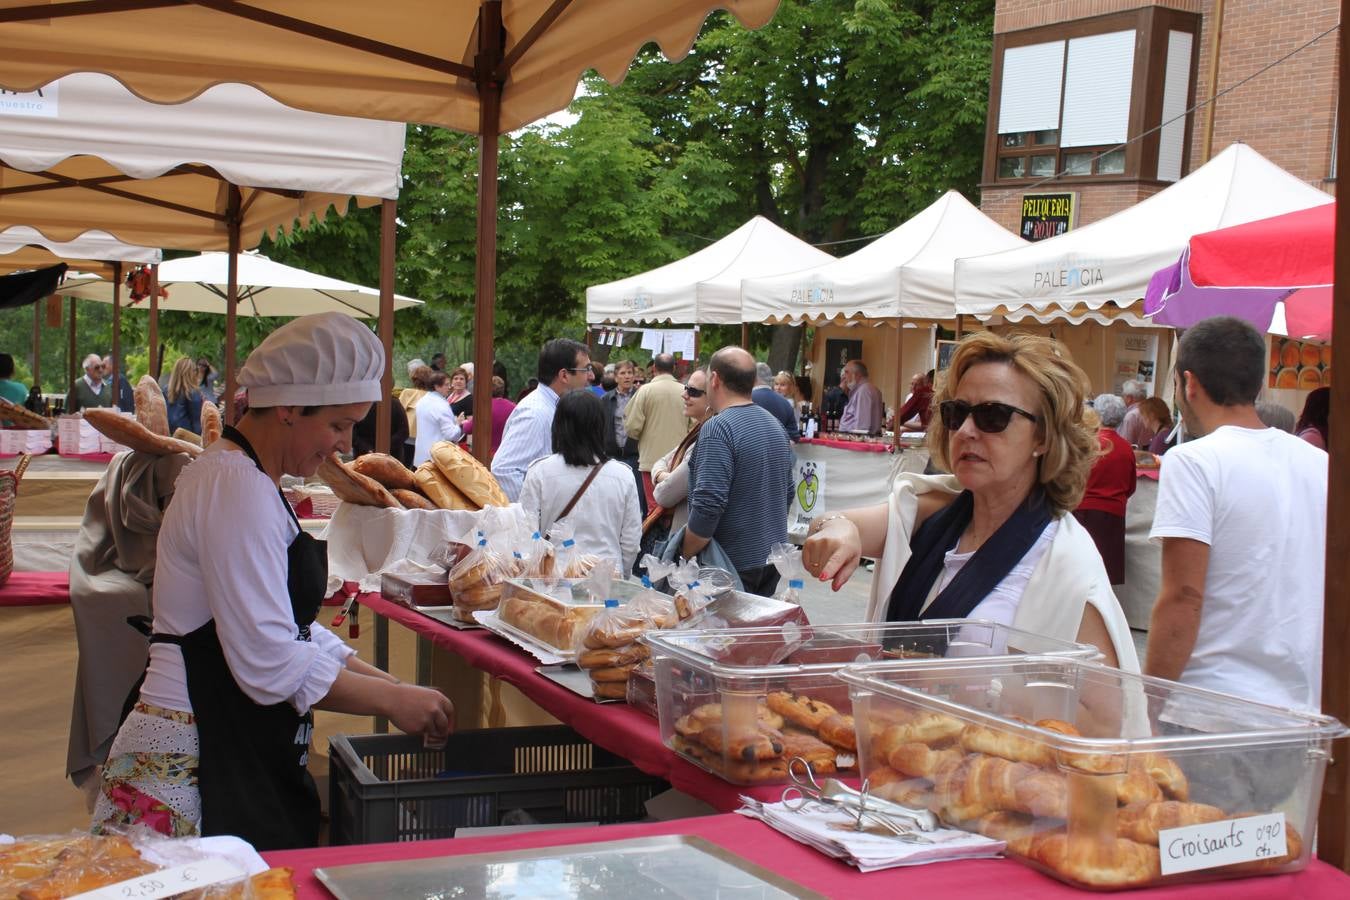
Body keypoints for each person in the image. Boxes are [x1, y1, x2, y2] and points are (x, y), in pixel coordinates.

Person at [92, 312, 452, 849]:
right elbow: (267, 661)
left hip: (231, 740)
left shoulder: (250, 479)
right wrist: (390, 703)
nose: (343, 445)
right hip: (194, 754)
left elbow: (294, 632)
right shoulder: (234, 485)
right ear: (286, 407)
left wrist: (393, 685)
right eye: (336, 425)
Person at [802, 331, 1138, 670]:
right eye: (956, 413)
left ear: (1044, 437)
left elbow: (1107, 715)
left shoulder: (1068, 564)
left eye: (993, 416)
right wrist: (839, 530)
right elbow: (831, 525)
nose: (965, 430)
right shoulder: (935, 511)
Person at [1147, 316, 1327, 712]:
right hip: (1300, 706)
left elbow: (1183, 595)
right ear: (1258, 385)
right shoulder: (1320, 463)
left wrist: (1150, 703)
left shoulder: (1192, 461)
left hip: (1211, 706)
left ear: (1188, 384)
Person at [683, 347, 793, 595]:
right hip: (770, 559)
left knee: (723, 633)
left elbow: (707, 507)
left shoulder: (718, 428)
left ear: (715, 379)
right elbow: (787, 493)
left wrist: (684, 553)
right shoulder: (774, 424)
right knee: (752, 632)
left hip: (729, 563)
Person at [519, 391, 641, 574]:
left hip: (553, 579)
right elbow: (631, 541)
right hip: (606, 580)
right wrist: (622, 572)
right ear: (600, 426)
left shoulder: (539, 472)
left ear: (559, 425)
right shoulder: (623, 476)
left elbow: (526, 533)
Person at [492, 339, 591, 501]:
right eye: (586, 369)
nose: (591, 376)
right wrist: (534, 516)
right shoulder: (535, 413)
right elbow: (504, 470)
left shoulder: (550, 407)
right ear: (564, 375)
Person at [1074, 395, 1136, 585]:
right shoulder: (1126, 448)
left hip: (1082, 512)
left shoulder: (1088, 444)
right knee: (1104, 577)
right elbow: (1130, 486)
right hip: (1113, 517)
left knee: (1078, 571)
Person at [624, 353, 689, 511]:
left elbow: (632, 426)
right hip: (679, 461)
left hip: (650, 461)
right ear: (674, 368)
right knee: (677, 510)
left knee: (654, 511)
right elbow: (695, 425)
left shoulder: (645, 391)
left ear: (654, 368)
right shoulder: (686, 391)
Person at [651, 368, 712, 534]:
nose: (684, 395)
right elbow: (661, 461)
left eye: (692, 391)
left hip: (688, 535)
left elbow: (664, 495)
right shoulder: (698, 431)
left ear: (713, 396)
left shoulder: (708, 437)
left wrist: (664, 477)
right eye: (686, 388)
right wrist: (665, 476)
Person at [601, 359, 644, 513]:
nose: (626, 376)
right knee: (612, 496)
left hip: (635, 454)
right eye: (623, 373)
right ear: (616, 377)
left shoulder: (641, 396)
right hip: (612, 454)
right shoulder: (606, 399)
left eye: (630, 373)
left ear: (634, 376)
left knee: (636, 497)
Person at [413, 370, 464, 466]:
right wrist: (458, 424)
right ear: (436, 386)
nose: (450, 387)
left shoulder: (421, 401)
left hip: (421, 456)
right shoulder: (442, 405)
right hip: (437, 459)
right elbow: (451, 435)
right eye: (446, 385)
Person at [459, 376, 515, 454]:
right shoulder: (513, 407)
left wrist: (463, 422)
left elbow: (468, 429)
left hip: (485, 454)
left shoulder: (484, 407)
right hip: (506, 452)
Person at [752, 362, 800, 442]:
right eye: (776, 384)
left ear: (791, 387)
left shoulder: (789, 403)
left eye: (782, 385)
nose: (778, 388)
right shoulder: (784, 402)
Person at [838, 360, 884, 434]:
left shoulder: (863, 390)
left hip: (855, 440)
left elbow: (862, 426)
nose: (844, 376)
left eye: (847, 372)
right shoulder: (867, 389)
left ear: (857, 375)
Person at [164, 357, 206, 435]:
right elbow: (197, 423)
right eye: (195, 370)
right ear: (189, 373)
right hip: (186, 437)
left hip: (169, 436)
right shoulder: (193, 392)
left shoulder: (166, 390)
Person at [1116, 379, 1151, 447]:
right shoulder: (1150, 411)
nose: (1122, 398)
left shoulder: (1131, 416)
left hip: (1135, 455)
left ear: (1129, 398)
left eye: (1123, 395)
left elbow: (1125, 444)